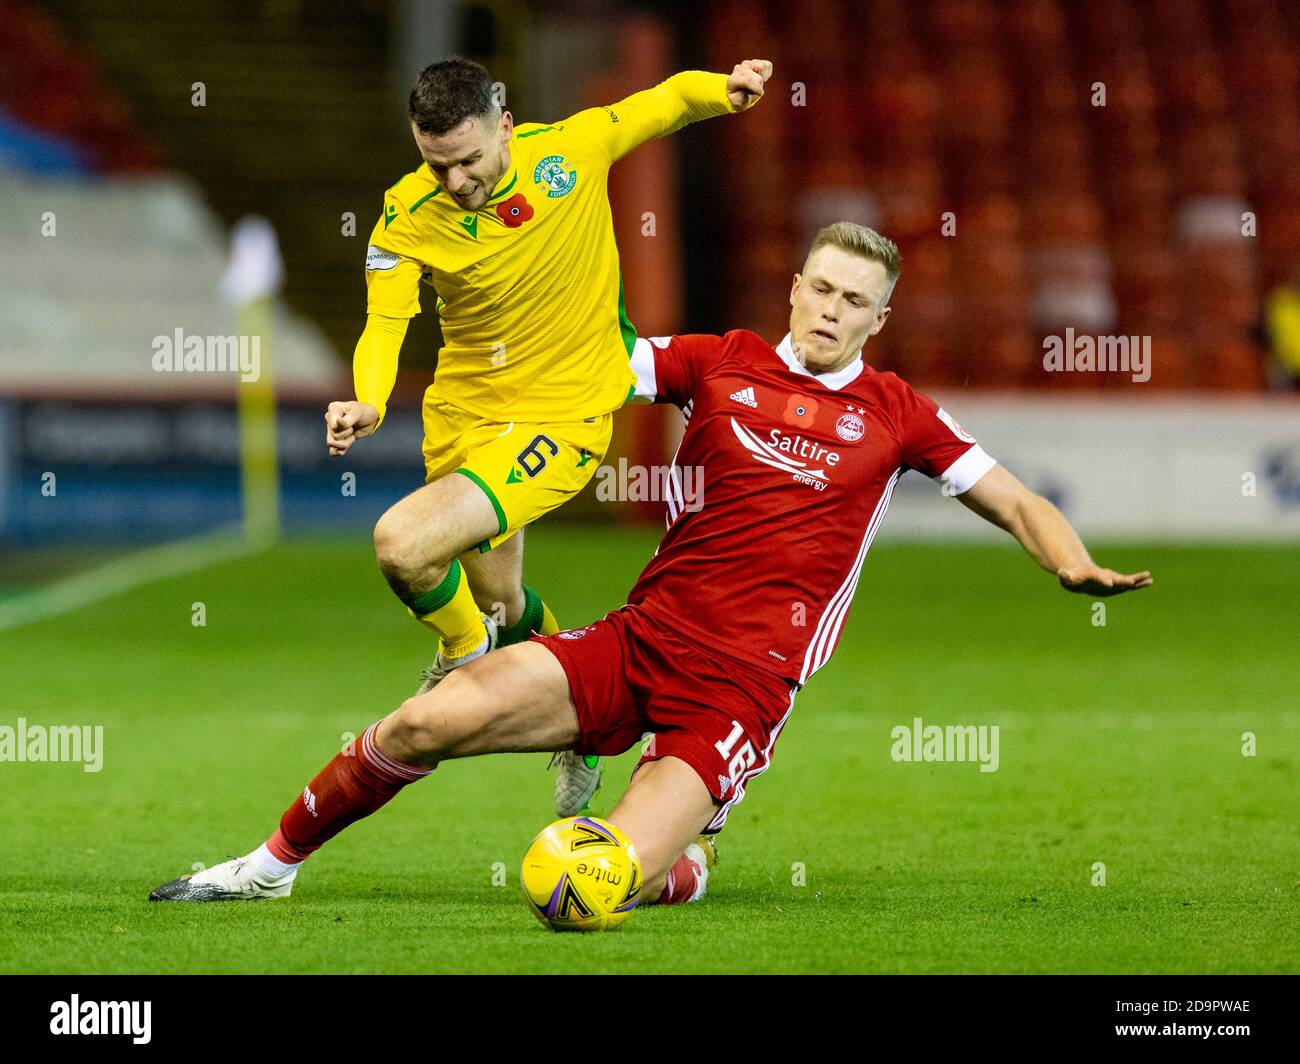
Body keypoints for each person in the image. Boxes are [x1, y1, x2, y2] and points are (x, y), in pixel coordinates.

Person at [152, 222, 1151, 908]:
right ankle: (264, 867)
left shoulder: (898, 414)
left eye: (856, 300)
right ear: (793, 286)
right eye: (822, 287)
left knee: (594, 878)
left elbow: (1016, 498)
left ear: (876, 318)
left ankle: (684, 860)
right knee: (424, 717)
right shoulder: (715, 360)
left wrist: (1071, 563)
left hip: (740, 689)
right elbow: (592, 358)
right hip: (639, 640)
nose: (833, 309)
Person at [323, 55, 773, 818]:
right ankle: (584, 733)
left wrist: (723, 92)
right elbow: (385, 319)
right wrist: (367, 398)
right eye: (436, 165)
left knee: (407, 549)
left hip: (560, 418)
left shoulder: (569, 152)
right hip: (466, 419)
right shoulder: (406, 215)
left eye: (467, 160)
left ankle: (459, 653)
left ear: (504, 126)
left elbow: (660, 104)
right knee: (502, 603)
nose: (455, 181)